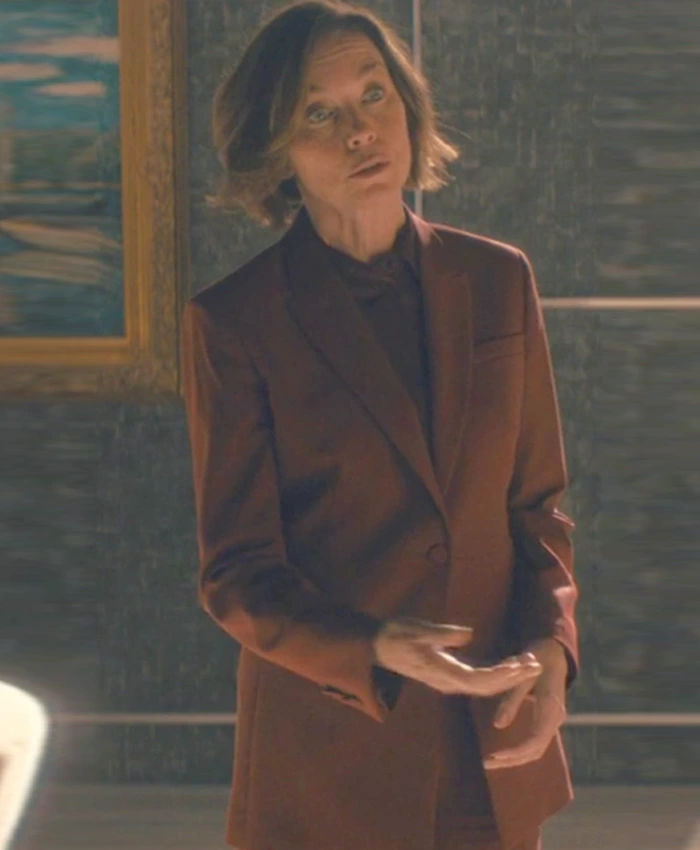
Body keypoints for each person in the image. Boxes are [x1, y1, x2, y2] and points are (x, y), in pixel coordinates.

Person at [181, 2, 579, 849]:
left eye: (374, 95)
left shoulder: (498, 280)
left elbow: (536, 507)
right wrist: (373, 645)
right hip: (329, 767)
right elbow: (237, 574)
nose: (360, 131)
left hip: (490, 748)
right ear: (276, 150)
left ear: (408, 105)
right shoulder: (236, 322)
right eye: (318, 114)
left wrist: (554, 649)